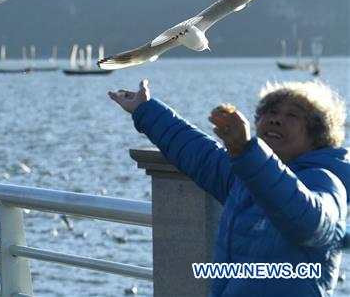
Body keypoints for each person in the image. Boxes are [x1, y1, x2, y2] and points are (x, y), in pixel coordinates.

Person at [108, 78, 349, 296]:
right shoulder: (241, 174)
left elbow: (308, 222)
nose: (277, 119)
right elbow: (196, 151)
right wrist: (145, 109)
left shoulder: (326, 181)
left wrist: (247, 152)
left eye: (292, 116)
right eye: (272, 112)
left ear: (317, 135)